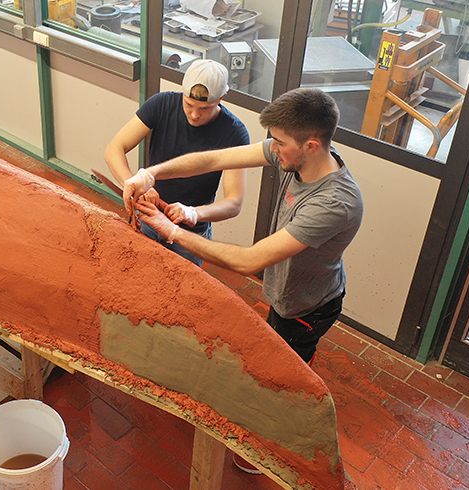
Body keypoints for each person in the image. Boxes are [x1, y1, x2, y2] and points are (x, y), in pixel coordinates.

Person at [126, 88, 362, 474]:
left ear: (312, 145)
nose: (273, 149)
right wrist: (152, 172)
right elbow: (216, 159)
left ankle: (273, 448)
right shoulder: (296, 154)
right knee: (273, 355)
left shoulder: (334, 202)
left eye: (280, 144)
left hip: (305, 307)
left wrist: (173, 231)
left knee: (285, 380)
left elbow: (251, 260)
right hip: (283, 292)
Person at [104, 59, 250, 265]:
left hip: (190, 234)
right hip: (150, 217)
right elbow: (114, 149)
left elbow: (234, 203)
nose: (195, 114)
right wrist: (134, 183)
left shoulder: (234, 133)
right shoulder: (161, 104)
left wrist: (192, 213)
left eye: (205, 108)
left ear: (222, 97)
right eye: (189, 104)